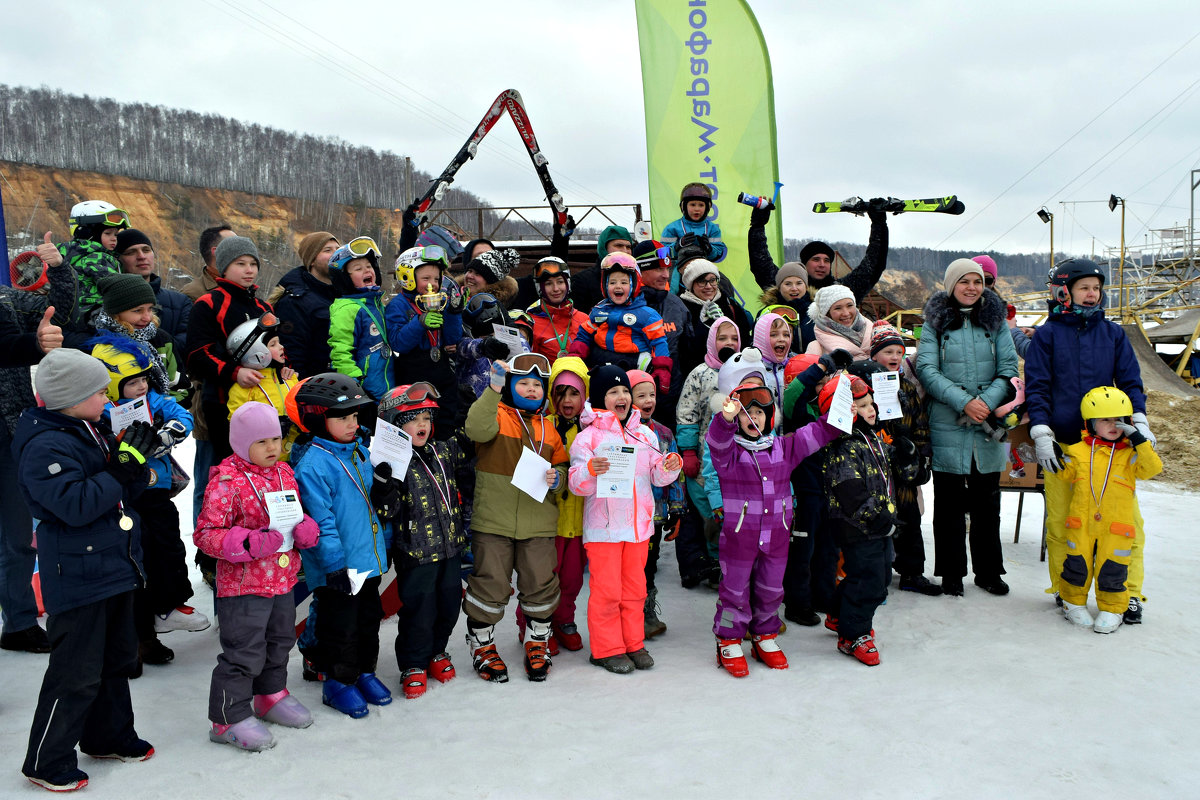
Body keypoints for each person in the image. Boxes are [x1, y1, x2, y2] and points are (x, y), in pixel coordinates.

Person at [15, 349, 156, 792]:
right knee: (75, 671)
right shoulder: (45, 445)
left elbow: (116, 484)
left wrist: (136, 461)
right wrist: (120, 467)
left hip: (112, 562)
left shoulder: (88, 428)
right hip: (76, 573)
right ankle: (46, 760)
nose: (106, 396)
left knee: (116, 659)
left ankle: (108, 735)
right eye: (98, 391)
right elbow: (74, 505)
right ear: (71, 398)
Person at [1024, 258, 1151, 623]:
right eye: (1084, 287)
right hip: (1065, 444)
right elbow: (1039, 386)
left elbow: (1130, 380)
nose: (1092, 293)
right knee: (1063, 522)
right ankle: (1068, 591)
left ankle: (1128, 593)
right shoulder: (1047, 335)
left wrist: (1138, 418)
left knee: (1127, 526)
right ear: (1064, 292)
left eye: (1096, 287)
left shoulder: (1113, 334)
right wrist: (1042, 430)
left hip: (1111, 447)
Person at [194, 403, 321, 750]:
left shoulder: (284, 473)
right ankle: (227, 717)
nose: (272, 448)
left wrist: (306, 528)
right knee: (244, 650)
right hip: (244, 585)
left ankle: (270, 695)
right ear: (241, 442)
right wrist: (248, 542)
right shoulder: (227, 480)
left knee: (279, 641)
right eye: (262, 441)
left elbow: (296, 513)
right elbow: (206, 534)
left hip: (282, 579)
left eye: (276, 439)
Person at [707, 380, 838, 677]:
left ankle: (765, 636)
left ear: (771, 416)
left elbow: (817, 433)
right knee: (735, 590)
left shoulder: (783, 447)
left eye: (761, 412)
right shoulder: (730, 454)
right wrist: (725, 418)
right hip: (740, 537)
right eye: (746, 413)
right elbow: (716, 441)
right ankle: (729, 639)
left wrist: (841, 413)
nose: (754, 418)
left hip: (776, 535)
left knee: (771, 588)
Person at [90, 330, 201, 669]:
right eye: (131, 382)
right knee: (133, 561)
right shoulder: (102, 411)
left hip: (156, 490)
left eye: (143, 379)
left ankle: (169, 605)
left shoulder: (153, 400)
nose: (140, 387)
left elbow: (181, 413)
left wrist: (172, 431)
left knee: (168, 547)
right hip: (123, 497)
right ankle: (137, 638)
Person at [288, 373, 392, 718]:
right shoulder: (314, 464)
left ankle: (365, 672)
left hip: (367, 559)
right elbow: (322, 523)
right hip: (339, 567)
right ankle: (338, 681)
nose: (353, 423)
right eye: (343, 417)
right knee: (341, 627)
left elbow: (368, 509)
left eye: (355, 416)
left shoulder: (358, 451)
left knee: (368, 621)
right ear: (319, 418)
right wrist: (333, 566)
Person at [568, 366, 681, 674]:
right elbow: (575, 483)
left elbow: (657, 476)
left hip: (638, 528)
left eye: (625, 391)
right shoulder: (587, 438)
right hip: (604, 530)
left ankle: (633, 643)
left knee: (635, 590)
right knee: (607, 592)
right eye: (613, 392)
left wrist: (669, 465)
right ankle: (606, 649)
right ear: (600, 399)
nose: (622, 397)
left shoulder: (644, 434)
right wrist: (592, 469)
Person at [916, 258, 1019, 596]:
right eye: (965, 281)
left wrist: (986, 403)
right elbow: (928, 370)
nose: (972, 287)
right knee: (948, 506)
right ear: (951, 285)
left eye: (978, 281)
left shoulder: (996, 321)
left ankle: (989, 571)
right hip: (948, 422)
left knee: (988, 503)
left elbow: (1007, 368)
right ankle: (951, 573)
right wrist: (964, 402)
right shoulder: (935, 323)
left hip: (987, 423)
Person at [462, 353, 567, 683]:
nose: (532, 389)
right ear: (509, 385)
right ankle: (482, 644)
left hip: (538, 520)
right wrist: (493, 389)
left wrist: (559, 477)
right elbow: (475, 429)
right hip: (494, 519)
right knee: (490, 582)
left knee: (540, 581)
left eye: (538, 385)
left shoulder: (548, 428)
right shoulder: (497, 415)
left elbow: (562, 464)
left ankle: (537, 641)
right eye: (523, 382)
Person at [371, 383, 470, 699]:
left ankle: (436, 652)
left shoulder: (443, 451)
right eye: (413, 419)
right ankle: (413, 663)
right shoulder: (393, 462)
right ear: (395, 425)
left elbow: (469, 440)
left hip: (451, 547)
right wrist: (384, 485)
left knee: (449, 606)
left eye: (426, 417)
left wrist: (467, 401)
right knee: (419, 611)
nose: (423, 425)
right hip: (416, 554)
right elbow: (387, 510)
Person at [0, 238, 70, 655]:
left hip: (9, 433)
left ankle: (20, 622)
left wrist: (59, 269)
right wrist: (31, 346)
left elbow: (58, 311)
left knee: (17, 538)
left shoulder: (6, 300)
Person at [817, 375, 913, 666]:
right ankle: (853, 634)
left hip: (877, 524)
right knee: (871, 580)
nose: (870, 409)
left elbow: (886, 464)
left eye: (870, 403)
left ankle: (837, 613)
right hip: (858, 526)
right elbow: (850, 492)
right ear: (844, 411)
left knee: (876, 575)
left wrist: (906, 456)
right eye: (861, 405)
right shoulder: (841, 447)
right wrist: (881, 517)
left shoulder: (870, 437)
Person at [1053, 387, 1163, 633]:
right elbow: (1063, 474)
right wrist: (1053, 455)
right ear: (1090, 424)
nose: (1114, 425)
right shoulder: (1079, 451)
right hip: (1080, 523)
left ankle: (1113, 608)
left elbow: (1152, 469)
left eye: (1119, 420)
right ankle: (1073, 603)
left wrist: (1140, 442)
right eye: (1105, 420)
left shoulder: (1131, 455)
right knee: (1077, 566)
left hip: (1116, 527)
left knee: (1113, 568)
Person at [867, 324, 939, 595]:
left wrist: (922, 456)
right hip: (875, 466)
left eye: (899, 351)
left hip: (905, 465)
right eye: (888, 351)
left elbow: (920, 422)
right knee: (878, 518)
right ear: (875, 355)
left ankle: (912, 572)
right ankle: (877, 572)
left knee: (909, 517)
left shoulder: (907, 387)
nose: (895, 356)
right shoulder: (863, 384)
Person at [675, 317, 740, 589]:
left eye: (733, 339)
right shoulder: (700, 373)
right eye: (722, 339)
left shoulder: (746, 372)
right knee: (711, 512)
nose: (728, 344)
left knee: (735, 513)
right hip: (706, 459)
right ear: (712, 341)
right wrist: (688, 451)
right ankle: (714, 562)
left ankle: (733, 564)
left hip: (739, 458)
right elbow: (687, 414)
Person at [626, 370, 685, 639]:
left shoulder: (663, 433)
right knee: (627, 568)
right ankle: (626, 612)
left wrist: (676, 509)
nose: (649, 400)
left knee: (649, 564)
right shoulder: (621, 432)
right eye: (641, 395)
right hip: (626, 516)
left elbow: (675, 473)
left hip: (655, 515)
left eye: (652, 394)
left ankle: (647, 611)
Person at [386, 245, 465, 436]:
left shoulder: (440, 300)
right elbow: (397, 342)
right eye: (426, 278)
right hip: (413, 373)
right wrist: (420, 323)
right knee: (418, 420)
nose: (433, 284)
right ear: (408, 278)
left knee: (447, 418)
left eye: (437, 279)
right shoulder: (398, 305)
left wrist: (454, 311)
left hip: (442, 370)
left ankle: (447, 451)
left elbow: (453, 339)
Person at [568, 253, 672, 394]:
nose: (618, 287)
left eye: (624, 282)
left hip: (632, 366)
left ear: (634, 285)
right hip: (603, 362)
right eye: (612, 283)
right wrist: (575, 355)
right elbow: (585, 334)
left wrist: (662, 369)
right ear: (605, 286)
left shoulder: (647, 315)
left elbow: (659, 342)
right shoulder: (599, 310)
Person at [747, 200, 889, 302]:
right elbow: (761, 263)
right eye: (816, 259)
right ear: (804, 264)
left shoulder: (841, 291)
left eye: (827, 260)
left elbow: (873, 266)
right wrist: (758, 226)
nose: (822, 264)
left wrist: (879, 225)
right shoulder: (786, 289)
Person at [632, 239, 691, 428]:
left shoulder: (677, 305)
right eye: (658, 269)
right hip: (631, 404)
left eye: (668, 269)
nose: (666, 275)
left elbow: (688, 355)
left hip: (671, 403)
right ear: (640, 271)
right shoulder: (623, 305)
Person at [224, 315, 300, 460]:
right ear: (256, 353)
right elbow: (237, 423)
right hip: (264, 461)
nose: (281, 347)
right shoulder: (246, 387)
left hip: (294, 456)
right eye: (273, 344)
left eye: (279, 342)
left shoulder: (289, 378)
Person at [326, 237, 393, 399]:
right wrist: (355, 383)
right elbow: (340, 350)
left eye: (369, 266)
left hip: (385, 382)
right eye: (358, 268)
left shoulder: (376, 303)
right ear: (344, 278)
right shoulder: (347, 308)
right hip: (365, 387)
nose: (367, 271)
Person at [269, 231, 340, 378]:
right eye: (328, 250)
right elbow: (292, 356)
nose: (336, 254)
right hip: (316, 388)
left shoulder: (343, 294)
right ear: (311, 260)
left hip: (344, 385)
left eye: (338, 249)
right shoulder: (294, 301)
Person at [115, 229, 191, 357]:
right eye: (130, 252)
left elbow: (187, 345)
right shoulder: (109, 302)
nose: (141, 256)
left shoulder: (181, 302)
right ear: (117, 260)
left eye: (146, 250)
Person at [676, 258, 753, 377]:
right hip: (696, 377)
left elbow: (744, 340)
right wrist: (703, 325)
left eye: (712, 280)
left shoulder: (729, 305)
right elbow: (682, 349)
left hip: (733, 373)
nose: (708, 286)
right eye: (702, 281)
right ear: (691, 284)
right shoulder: (680, 308)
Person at [58, 200, 129, 320]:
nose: (114, 239)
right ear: (88, 233)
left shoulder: (68, 255)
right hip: (94, 313)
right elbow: (117, 288)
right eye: (108, 233)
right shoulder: (98, 258)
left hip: (75, 314)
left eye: (116, 234)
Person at [527, 257, 588, 364]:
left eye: (560, 282)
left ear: (567, 283)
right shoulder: (531, 322)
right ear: (540, 288)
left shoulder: (584, 319)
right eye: (548, 284)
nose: (556, 289)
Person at [972, 255, 1034, 358]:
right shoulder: (948, 312)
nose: (981, 285)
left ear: (994, 282)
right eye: (977, 280)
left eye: (987, 280)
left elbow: (1009, 355)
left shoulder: (1006, 312)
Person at [571, 224, 633, 312]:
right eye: (619, 246)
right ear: (604, 248)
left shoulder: (635, 280)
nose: (625, 251)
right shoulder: (582, 281)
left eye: (628, 247)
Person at [660, 183, 727, 263]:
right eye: (692, 205)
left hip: (704, 268)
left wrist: (709, 248)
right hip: (678, 269)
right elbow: (662, 254)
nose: (697, 209)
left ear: (707, 207)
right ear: (684, 206)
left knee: (715, 276)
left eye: (701, 205)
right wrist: (678, 245)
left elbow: (718, 254)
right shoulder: (671, 228)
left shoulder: (713, 229)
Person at [757, 261, 815, 350]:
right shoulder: (768, 313)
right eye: (788, 284)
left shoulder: (817, 312)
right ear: (779, 287)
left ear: (806, 286)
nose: (794, 288)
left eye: (799, 283)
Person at [806, 285, 874, 359]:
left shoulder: (876, 332)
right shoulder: (817, 348)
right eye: (838, 308)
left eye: (850, 305)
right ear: (827, 314)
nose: (846, 313)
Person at [182, 224, 235, 301]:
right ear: (217, 252)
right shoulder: (193, 294)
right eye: (235, 246)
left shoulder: (245, 286)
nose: (241, 251)